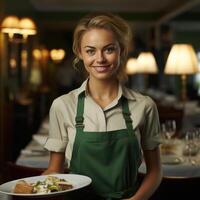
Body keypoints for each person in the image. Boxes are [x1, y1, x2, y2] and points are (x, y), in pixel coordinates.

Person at [43, 12, 162, 200]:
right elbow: (55, 170)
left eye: (109, 49)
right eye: (90, 51)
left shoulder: (145, 106)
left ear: (121, 51)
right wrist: (35, 187)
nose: (100, 59)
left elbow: (155, 171)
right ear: (80, 53)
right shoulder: (63, 105)